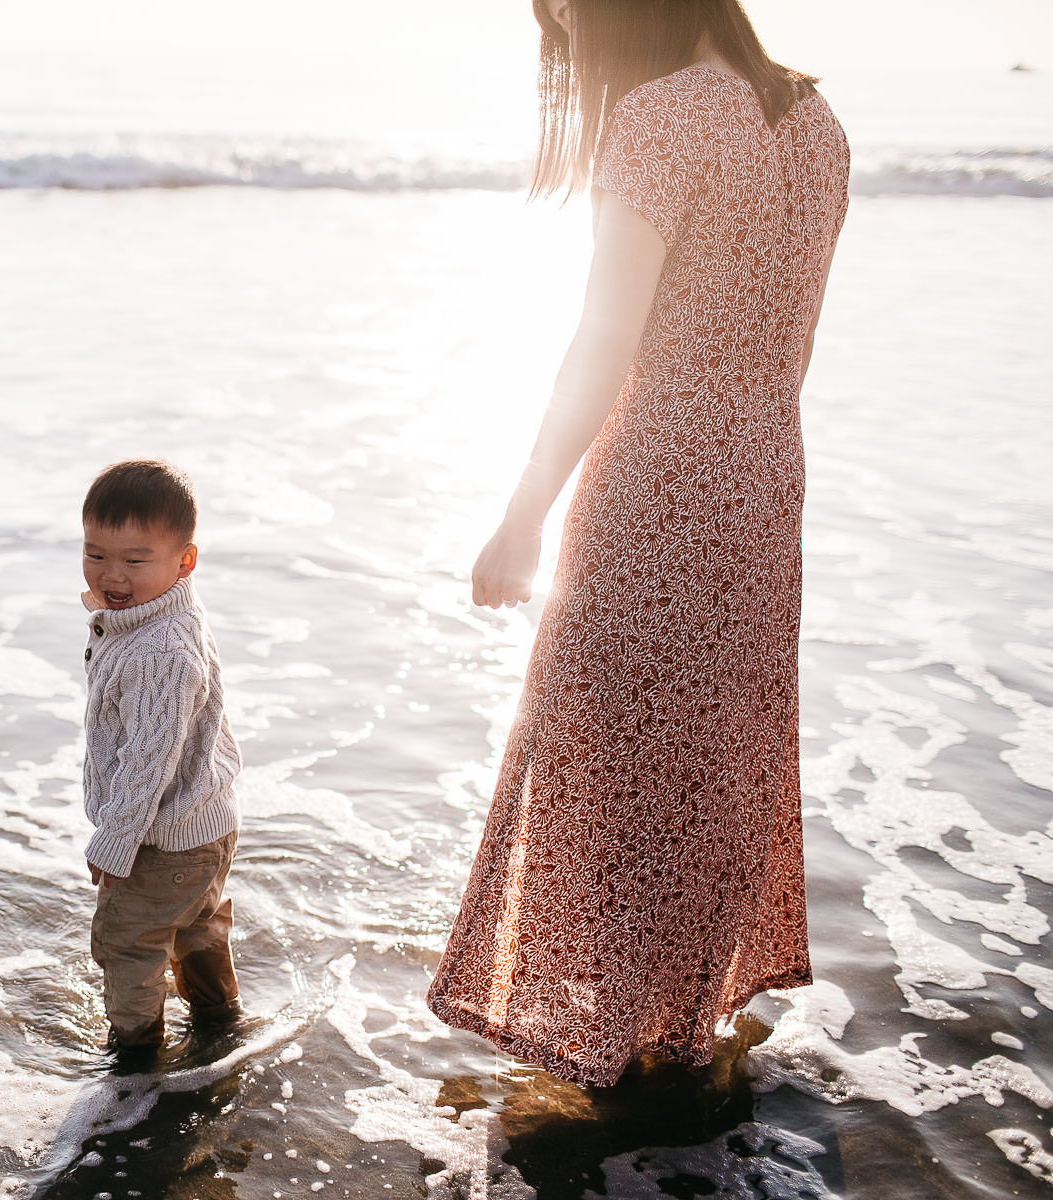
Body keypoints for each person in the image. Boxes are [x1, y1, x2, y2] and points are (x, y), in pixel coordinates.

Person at [426, 0, 850, 1086]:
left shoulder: (661, 118)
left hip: (659, 469)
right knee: (712, 752)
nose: (568, 44)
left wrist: (521, 514)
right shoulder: (816, 118)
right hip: (765, 462)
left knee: (608, 756)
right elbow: (789, 328)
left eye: (570, 19)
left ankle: (610, 1046)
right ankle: (679, 1026)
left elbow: (607, 337)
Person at [79, 461, 243, 1051]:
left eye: (134, 560)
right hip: (206, 826)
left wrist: (115, 839)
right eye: (96, 555)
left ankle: (135, 1061)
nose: (112, 575)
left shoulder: (157, 648)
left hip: (161, 838)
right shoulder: (165, 616)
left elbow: (148, 759)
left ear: (184, 560)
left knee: (127, 942)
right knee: (196, 926)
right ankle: (220, 1025)